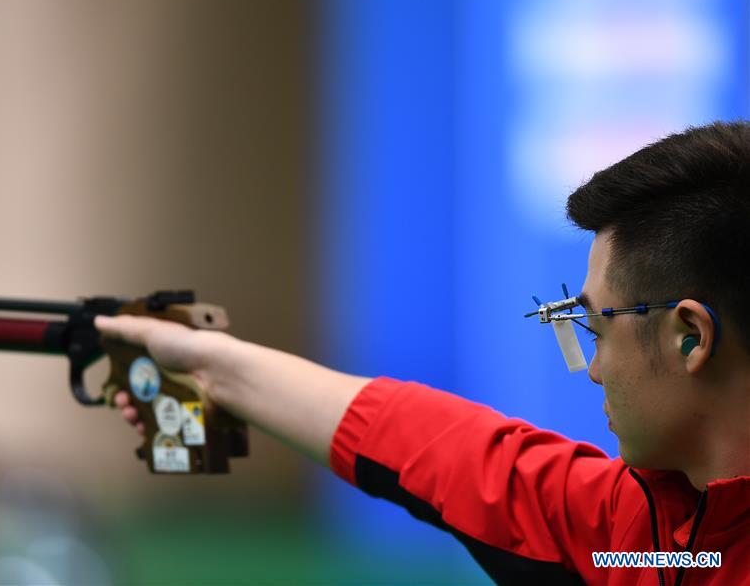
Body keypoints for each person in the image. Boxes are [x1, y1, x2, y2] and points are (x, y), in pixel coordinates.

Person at [95, 121, 749, 585]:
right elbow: (445, 447)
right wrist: (212, 363)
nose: (595, 365)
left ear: (688, 336)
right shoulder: (643, 534)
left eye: (598, 327)